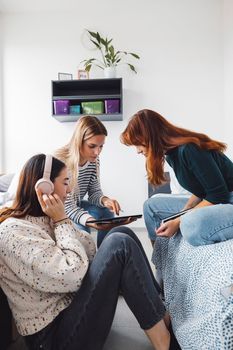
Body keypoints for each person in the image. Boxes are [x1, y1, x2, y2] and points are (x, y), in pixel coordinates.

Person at [0, 153, 172, 350]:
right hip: (53, 338)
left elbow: (89, 251)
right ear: (43, 187)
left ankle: (162, 316)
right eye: (65, 182)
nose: (70, 190)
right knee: (119, 243)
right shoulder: (14, 232)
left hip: (70, 312)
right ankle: (163, 343)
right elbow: (73, 275)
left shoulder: (46, 218)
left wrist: (61, 221)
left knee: (120, 232)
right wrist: (62, 222)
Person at [120, 108, 233, 246]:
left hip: (228, 200)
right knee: (151, 206)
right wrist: (181, 213)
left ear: (151, 137)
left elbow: (217, 195)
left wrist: (179, 220)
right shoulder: (171, 154)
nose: (137, 150)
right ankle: (160, 263)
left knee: (189, 224)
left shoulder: (190, 149)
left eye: (138, 144)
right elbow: (200, 191)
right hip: (219, 200)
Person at [55, 115, 134, 248]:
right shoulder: (62, 162)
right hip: (61, 210)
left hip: (76, 204)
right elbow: (67, 207)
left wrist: (105, 200)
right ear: (79, 141)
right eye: (92, 146)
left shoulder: (93, 161)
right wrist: (90, 220)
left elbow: (94, 193)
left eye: (101, 146)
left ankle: (105, 254)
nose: (97, 152)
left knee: (107, 213)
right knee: (83, 232)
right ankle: (90, 261)